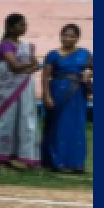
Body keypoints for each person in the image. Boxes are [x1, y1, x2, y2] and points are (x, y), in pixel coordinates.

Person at [0, 13, 44, 171]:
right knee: (7, 122)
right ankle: (1, 159)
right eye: (21, 25)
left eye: (25, 24)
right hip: (8, 91)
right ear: (10, 27)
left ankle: (27, 158)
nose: (24, 27)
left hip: (25, 89)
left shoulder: (26, 45)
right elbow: (14, 66)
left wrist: (25, 68)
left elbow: (36, 65)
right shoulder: (5, 45)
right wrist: (27, 66)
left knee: (26, 121)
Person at [42, 23, 93, 175]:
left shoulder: (85, 53)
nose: (68, 39)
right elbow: (45, 77)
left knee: (76, 127)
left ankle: (76, 163)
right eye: (65, 35)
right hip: (58, 92)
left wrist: (89, 74)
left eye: (72, 36)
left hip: (77, 94)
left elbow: (92, 68)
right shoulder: (53, 54)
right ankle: (57, 162)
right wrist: (47, 95)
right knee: (58, 126)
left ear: (77, 38)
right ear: (61, 36)